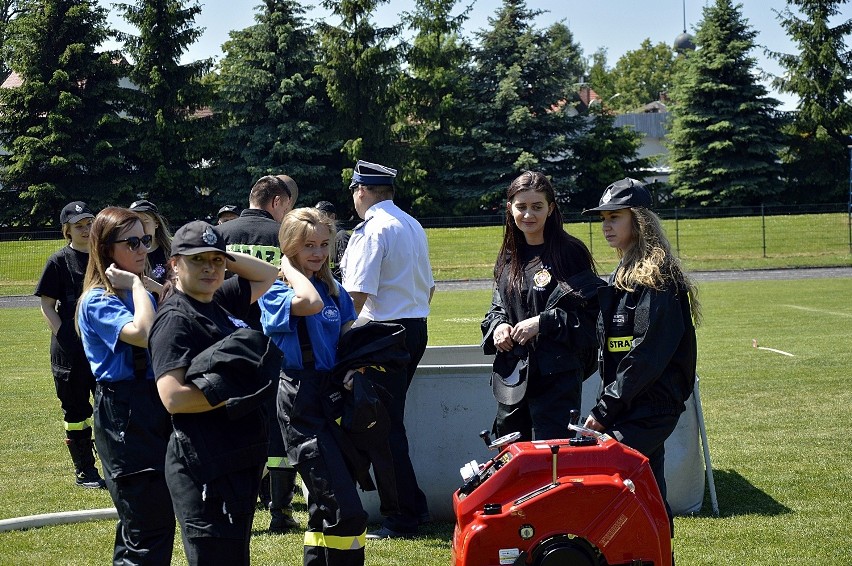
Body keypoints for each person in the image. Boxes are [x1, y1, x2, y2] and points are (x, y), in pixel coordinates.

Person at [149, 220, 279, 565]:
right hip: (204, 462)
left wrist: (222, 253)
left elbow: (268, 274)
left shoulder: (218, 300)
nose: (210, 268)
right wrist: (236, 390)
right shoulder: (175, 317)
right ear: (174, 264)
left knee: (234, 555)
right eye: (197, 260)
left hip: (236, 454)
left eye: (216, 261)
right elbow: (173, 397)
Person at [581, 177, 701, 544]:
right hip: (630, 404)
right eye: (603, 218)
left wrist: (603, 411)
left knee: (610, 480)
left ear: (639, 220)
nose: (606, 226)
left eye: (615, 217)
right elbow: (613, 349)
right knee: (648, 494)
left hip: (649, 407)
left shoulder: (658, 277)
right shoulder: (624, 272)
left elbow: (645, 355)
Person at [259, 207, 369, 566]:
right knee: (342, 505)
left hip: (330, 396)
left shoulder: (332, 289)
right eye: (308, 245)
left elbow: (347, 339)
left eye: (324, 244)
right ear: (289, 247)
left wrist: (353, 370)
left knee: (328, 500)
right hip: (299, 399)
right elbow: (309, 304)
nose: (319, 253)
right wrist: (289, 270)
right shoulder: (275, 290)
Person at [340, 160, 435, 539]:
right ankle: (414, 505)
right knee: (388, 423)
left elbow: (357, 295)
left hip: (384, 334)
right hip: (414, 327)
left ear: (360, 191)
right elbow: (429, 288)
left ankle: (403, 515)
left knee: (382, 427)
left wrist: (340, 338)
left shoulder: (373, 229)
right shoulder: (411, 224)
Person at [76, 206, 175, 565]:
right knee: (146, 523)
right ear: (106, 249)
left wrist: (147, 285)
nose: (142, 249)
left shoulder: (142, 292)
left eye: (145, 240)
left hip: (153, 405)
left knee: (153, 520)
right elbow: (144, 333)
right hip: (124, 413)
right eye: (131, 242)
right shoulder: (97, 299)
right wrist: (137, 284)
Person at [481, 171, 603, 442]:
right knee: (510, 452)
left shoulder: (570, 253)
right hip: (514, 375)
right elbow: (497, 308)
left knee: (550, 456)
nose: (528, 215)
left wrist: (543, 323)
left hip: (557, 378)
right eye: (521, 207)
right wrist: (499, 326)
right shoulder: (508, 256)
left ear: (551, 209)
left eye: (537, 207)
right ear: (510, 208)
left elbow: (593, 318)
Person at [216, 173, 301, 532]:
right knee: (278, 428)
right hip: (272, 341)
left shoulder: (219, 235)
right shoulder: (282, 236)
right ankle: (280, 512)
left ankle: (237, 508)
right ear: (277, 202)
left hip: (225, 342)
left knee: (231, 426)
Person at [34, 201, 106, 489]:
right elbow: (47, 305)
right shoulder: (58, 261)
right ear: (67, 231)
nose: (86, 230)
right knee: (76, 412)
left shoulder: (105, 257)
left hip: (103, 347)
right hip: (69, 352)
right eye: (79, 226)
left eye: (90, 223)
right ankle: (84, 471)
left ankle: (115, 465)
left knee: (110, 406)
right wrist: (64, 335)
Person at [128, 199, 172, 290]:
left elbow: (184, 295)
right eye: (136, 222)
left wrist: (158, 289)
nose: (140, 226)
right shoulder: (126, 252)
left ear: (156, 223)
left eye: (145, 221)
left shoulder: (172, 252)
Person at [315, 200, 350, 280]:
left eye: (322, 215)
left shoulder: (341, 237)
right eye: (316, 215)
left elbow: (344, 271)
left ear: (332, 217)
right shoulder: (324, 238)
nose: (318, 219)